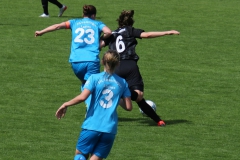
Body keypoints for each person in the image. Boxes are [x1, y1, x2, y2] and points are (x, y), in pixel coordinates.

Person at [100, 10, 180, 127]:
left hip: (115, 66)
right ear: (131, 23)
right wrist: (168, 32)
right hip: (130, 66)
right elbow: (146, 35)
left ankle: (158, 121)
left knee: (130, 97)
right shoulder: (130, 30)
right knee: (139, 96)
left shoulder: (111, 34)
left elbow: (100, 45)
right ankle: (157, 119)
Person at [56, 50, 132, 160]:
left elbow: (83, 97)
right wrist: (117, 98)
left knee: (80, 155)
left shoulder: (94, 78)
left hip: (92, 125)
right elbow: (129, 107)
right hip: (109, 129)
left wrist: (65, 104)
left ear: (102, 61)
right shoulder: (123, 82)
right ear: (118, 63)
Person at [35, 5, 112, 90]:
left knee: (86, 85)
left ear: (83, 14)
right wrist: (100, 40)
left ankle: (87, 101)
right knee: (95, 89)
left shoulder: (74, 22)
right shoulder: (97, 23)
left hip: (76, 61)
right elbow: (108, 32)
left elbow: (57, 26)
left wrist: (41, 32)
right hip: (91, 60)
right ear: (93, 15)